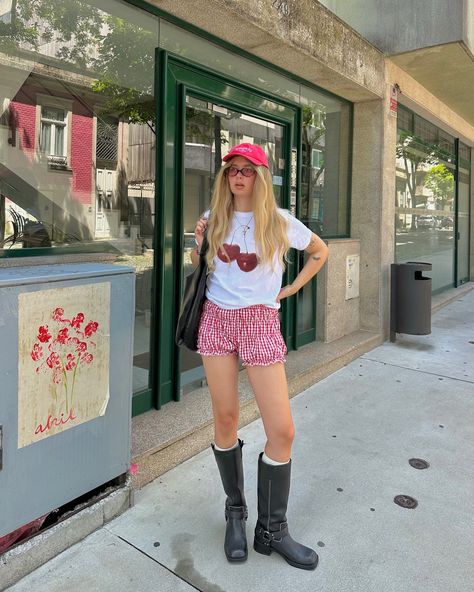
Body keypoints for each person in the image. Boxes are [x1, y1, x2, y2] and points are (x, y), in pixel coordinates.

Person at [192, 142, 328, 571]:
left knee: (282, 430)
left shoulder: (281, 222)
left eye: (247, 170)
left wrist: (291, 288)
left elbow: (321, 252)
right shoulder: (215, 219)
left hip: (260, 323)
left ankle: (272, 530)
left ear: (261, 177)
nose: (238, 176)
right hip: (217, 319)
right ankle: (236, 513)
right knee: (226, 418)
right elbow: (201, 267)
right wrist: (197, 245)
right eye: (232, 169)